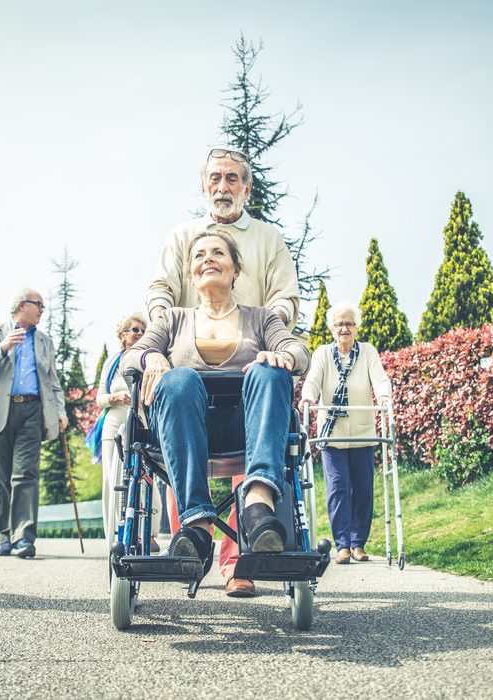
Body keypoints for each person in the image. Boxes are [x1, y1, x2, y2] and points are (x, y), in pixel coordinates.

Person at [146, 147, 300, 597]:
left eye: (232, 179)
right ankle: (193, 541)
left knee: (260, 411)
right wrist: (161, 341)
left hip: (250, 358)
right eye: (215, 178)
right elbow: (160, 289)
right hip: (190, 367)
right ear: (203, 186)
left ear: (246, 188)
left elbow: (284, 297)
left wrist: (272, 341)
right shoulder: (184, 236)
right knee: (178, 397)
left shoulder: (267, 239)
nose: (223, 186)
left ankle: (241, 559)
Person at [123, 231, 309, 569]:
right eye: (199, 255)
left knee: (271, 369)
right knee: (178, 378)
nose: (208, 259)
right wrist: (152, 357)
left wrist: (283, 358)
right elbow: (131, 357)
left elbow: (297, 349)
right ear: (191, 274)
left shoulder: (262, 318)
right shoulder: (172, 319)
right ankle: (195, 524)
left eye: (218, 253)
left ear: (236, 269)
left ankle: (258, 503)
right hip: (185, 427)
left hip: (246, 428)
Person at [0, 288, 67, 558]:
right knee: (2, 479)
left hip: (32, 411)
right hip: (0, 410)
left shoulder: (45, 340)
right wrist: (4, 347)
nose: (42, 311)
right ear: (23, 305)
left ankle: (24, 537)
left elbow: (53, 381)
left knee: (26, 474)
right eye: (40, 305)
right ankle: (4, 537)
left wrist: (60, 410)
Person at [299, 302, 392, 564]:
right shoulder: (323, 354)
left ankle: (358, 544)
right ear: (332, 328)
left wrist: (384, 396)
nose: (344, 328)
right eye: (340, 324)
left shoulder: (368, 352)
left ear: (357, 327)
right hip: (333, 434)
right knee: (338, 488)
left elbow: (380, 378)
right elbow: (313, 380)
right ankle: (342, 545)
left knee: (363, 489)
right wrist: (308, 398)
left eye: (349, 323)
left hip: (362, 433)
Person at [91, 313, 161, 550]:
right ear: (122, 335)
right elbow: (100, 397)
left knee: (150, 472)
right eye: (134, 329)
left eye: (142, 330)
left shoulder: (150, 360)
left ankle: (149, 534)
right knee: (112, 478)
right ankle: (115, 533)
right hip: (115, 419)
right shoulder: (112, 363)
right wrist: (116, 397)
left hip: (142, 419)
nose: (139, 333)